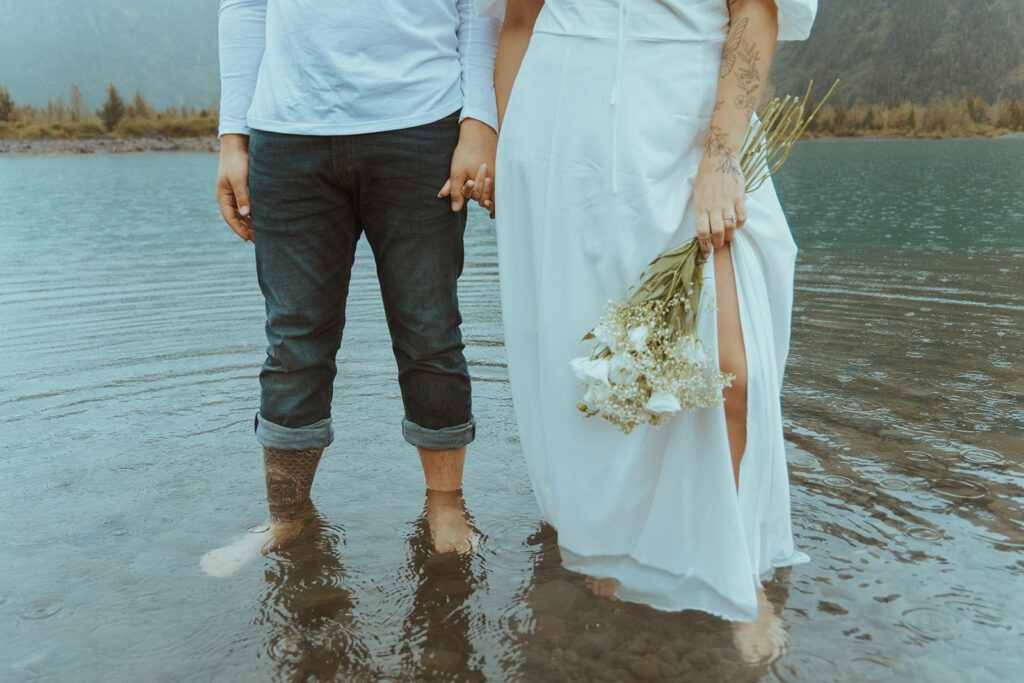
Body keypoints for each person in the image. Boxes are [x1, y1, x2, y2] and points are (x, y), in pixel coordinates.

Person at [488, 0, 816, 662]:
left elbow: (755, 11)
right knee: (589, 358)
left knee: (733, 371)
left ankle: (740, 571)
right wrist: (508, 146)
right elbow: (519, 17)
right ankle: (609, 539)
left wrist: (721, 156)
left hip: (693, 122)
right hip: (560, 135)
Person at [201, 0, 501, 576]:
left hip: (423, 124)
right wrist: (232, 139)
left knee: (430, 331)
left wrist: (479, 123)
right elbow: (244, 6)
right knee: (292, 339)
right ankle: (287, 520)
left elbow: (479, 7)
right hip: (287, 134)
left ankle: (446, 505)